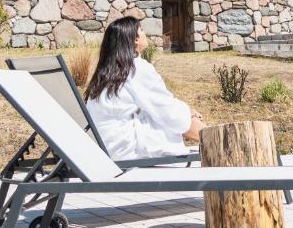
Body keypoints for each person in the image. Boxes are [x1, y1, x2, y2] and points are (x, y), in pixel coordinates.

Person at [85, 16, 207, 160]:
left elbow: (160, 105)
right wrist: (192, 119)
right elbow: (167, 111)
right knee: (179, 118)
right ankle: (216, 137)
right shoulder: (136, 68)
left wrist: (186, 112)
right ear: (135, 39)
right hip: (129, 153)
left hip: (111, 148)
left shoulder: (109, 72)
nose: (144, 33)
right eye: (141, 30)